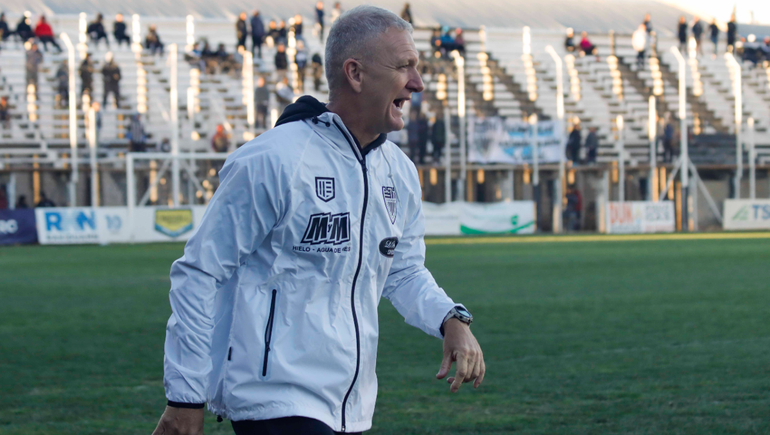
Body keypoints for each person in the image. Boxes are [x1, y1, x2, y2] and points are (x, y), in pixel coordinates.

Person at [151, 8, 483, 435]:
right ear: (355, 74)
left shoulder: (398, 171)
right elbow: (200, 273)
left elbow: (401, 270)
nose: (418, 82)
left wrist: (450, 319)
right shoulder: (273, 160)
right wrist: (184, 399)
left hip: (351, 407)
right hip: (272, 400)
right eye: (405, 67)